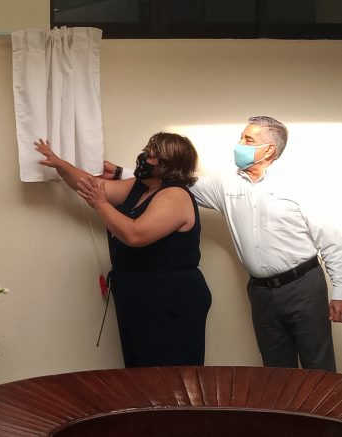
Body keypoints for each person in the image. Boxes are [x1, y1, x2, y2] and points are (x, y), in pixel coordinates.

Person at [104, 116, 342, 372]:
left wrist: (339, 292)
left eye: (248, 140)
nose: (239, 144)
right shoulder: (226, 184)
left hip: (303, 286)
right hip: (260, 291)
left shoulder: (300, 186)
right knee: (276, 369)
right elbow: (179, 178)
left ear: (269, 150)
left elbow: (332, 241)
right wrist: (120, 172)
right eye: (241, 137)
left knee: (318, 366)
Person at [36, 133, 212, 368]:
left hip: (171, 298)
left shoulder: (175, 195)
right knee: (140, 370)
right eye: (146, 151)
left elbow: (135, 235)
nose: (144, 158)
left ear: (168, 164)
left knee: (170, 371)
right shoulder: (140, 187)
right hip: (137, 293)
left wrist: (100, 204)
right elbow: (91, 185)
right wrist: (60, 164)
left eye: (151, 155)